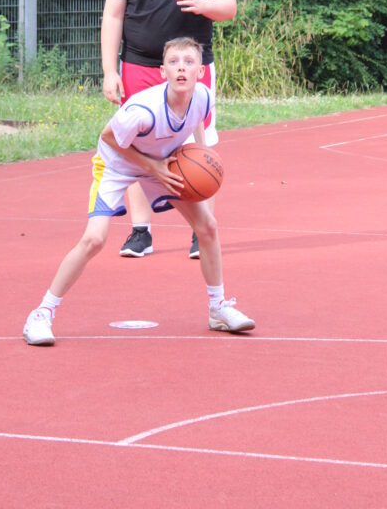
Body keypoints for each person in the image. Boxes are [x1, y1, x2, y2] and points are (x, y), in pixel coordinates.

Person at [23, 38, 255, 344]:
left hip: (161, 162)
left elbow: (197, 121)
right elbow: (109, 137)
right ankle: (41, 314)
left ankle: (218, 308)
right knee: (94, 240)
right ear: (162, 72)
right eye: (173, 62)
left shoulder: (203, 96)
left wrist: (202, 155)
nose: (181, 68)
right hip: (116, 165)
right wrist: (151, 166)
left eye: (188, 62)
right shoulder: (143, 109)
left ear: (201, 71)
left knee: (207, 227)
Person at [101, 0, 237, 259]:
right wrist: (109, 70)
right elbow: (113, 15)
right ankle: (140, 233)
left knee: (197, 148)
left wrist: (203, 5)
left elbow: (229, 7)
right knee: (134, 141)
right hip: (140, 64)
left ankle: (200, 230)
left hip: (192, 66)